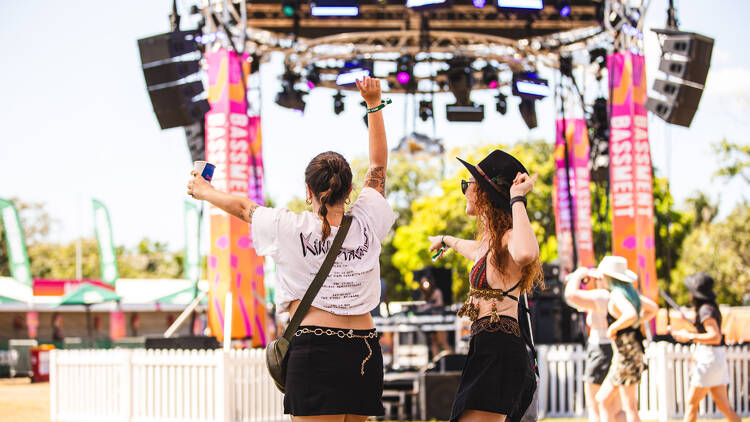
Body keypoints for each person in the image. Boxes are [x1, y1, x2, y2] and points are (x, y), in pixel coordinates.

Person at [188, 76, 394, 422]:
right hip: (364, 349)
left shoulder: (289, 227)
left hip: (316, 349)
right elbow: (378, 167)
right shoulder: (367, 219)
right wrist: (373, 104)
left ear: (309, 192)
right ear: (349, 189)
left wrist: (204, 190)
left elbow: (243, 208)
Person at [428, 150, 542, 422]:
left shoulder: (511, 238)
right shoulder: (491, 245)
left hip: (499, 349)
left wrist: (517, 199)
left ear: (485, 193)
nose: (465, 191)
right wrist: (445, 239)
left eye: (468, 185)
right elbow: (474, 249)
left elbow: (526, 254)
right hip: (486, 346)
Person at [594, 256, 658, 422]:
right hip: (631, 354)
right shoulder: (630, 294)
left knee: (624, 405)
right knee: (606, 400)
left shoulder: (617, 295)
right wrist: (636, 322)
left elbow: (630, 314)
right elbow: (653, 308)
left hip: (625, 356)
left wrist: (613, 328)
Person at [670, 273, 740, 422]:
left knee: (691, 404)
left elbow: (715, 336)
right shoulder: (709, 308)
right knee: (723, 406)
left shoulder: (705, 310)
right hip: (716, 359)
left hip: (708, 360)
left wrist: (690, 337)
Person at [564, 267, 624, 422]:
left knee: (594, 404)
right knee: (616, 407)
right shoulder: (618, 296)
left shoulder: (601, 296)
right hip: (613, 348)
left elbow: (570, 295)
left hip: (601, 351)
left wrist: (578, 275)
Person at [417, 276, 454, 357]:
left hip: (439, 320)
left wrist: (429, 306)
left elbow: (440, 303)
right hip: (430, 322)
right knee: (433, 342)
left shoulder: (437, 292)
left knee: (443, 341)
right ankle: (435, 363)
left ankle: (452, 359)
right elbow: (421, 306)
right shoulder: (424, 294)